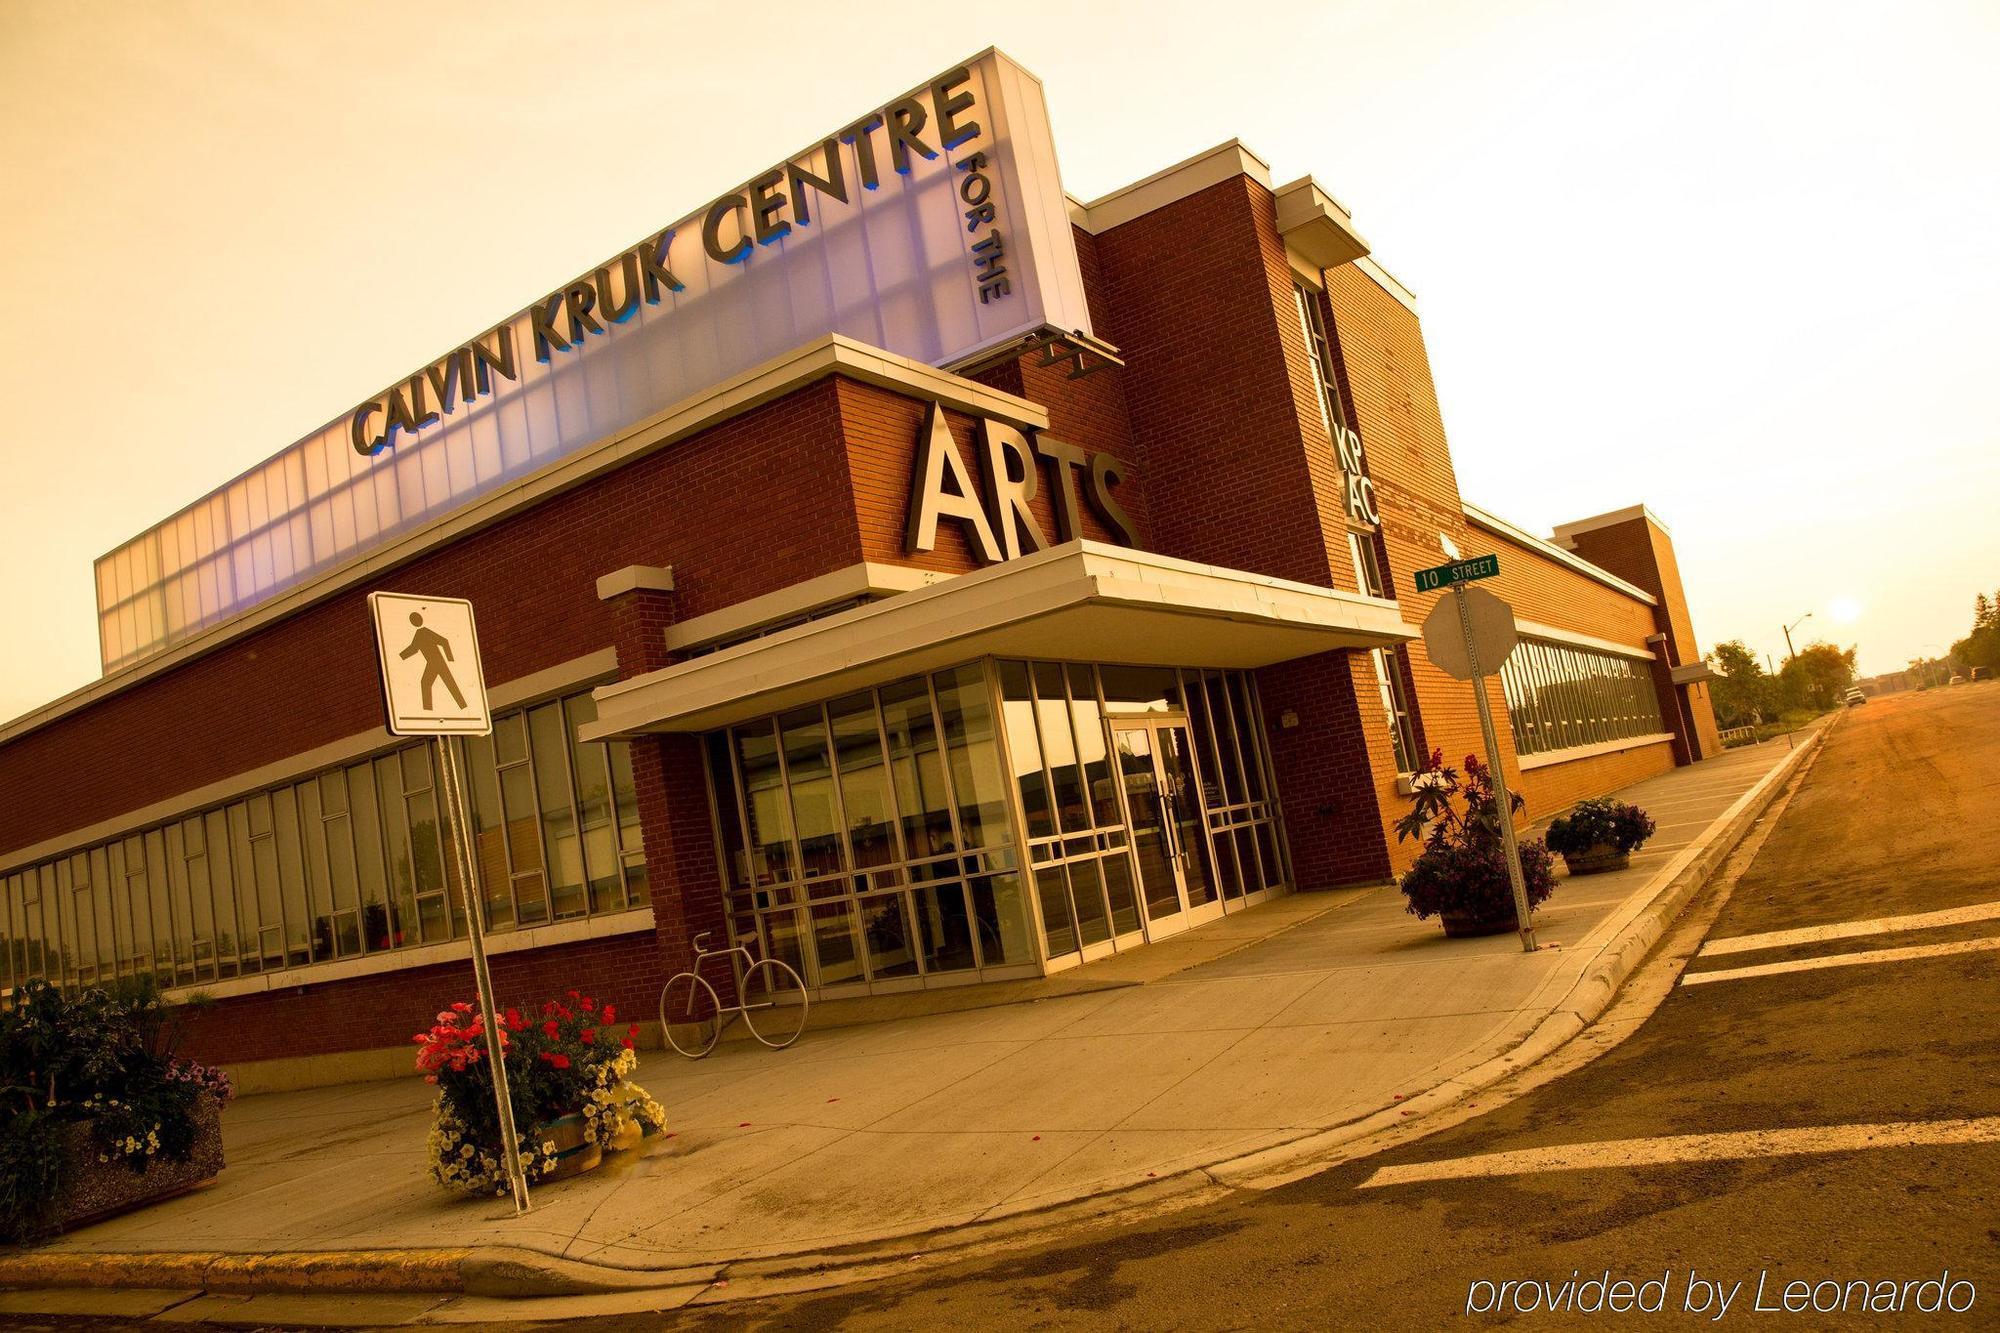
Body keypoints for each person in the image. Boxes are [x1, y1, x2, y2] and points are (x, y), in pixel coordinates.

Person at [399, 611, 467, 711]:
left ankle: (461, 706)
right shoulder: (420, 633)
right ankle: (429, 709)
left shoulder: (424, 632)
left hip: (437, 662)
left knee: (447, 683)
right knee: (429, 683)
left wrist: (450, 659)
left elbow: (444, 641)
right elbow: (414, 648)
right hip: (433, 663)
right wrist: (401, 656)